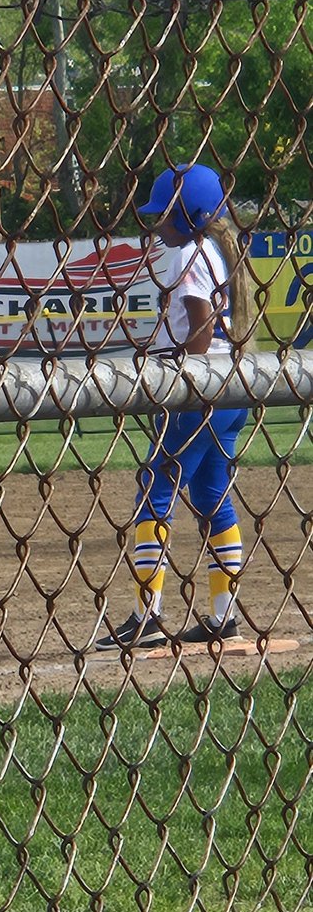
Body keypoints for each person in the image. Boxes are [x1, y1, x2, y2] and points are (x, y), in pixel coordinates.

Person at [95, 163, 256, 651]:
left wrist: (172, 366)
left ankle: (147, 616)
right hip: (229, 392)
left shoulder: (191, 254)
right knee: (211, 498)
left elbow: (201, 331)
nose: (157, 224)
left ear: (189, 215)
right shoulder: (218, 250)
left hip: (197, 393)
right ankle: (223, 617)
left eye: (164, 215)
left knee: (154, 492)